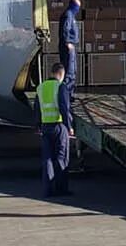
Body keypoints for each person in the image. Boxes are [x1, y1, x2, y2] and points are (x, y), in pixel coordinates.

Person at [36, 62, 74, 196]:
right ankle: (61, 188)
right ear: (61, 74)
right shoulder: (60, 87)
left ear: (51, 72)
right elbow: (64, 108)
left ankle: (48, 190)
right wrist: (69, 127)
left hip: (45, 126)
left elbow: (37, 109)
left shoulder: (40, 88)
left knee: (47, 159)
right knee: (61, 157)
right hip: (59, 126)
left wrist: (38, 126)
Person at [59, 0, 82, 88]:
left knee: (73, 70)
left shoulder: (72, 15)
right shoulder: (68, 15)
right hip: (68, 46)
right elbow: (65, 29)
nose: (78, 9)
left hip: (72, 46)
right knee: (69, 70)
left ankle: (69, 93)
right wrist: (67, 42)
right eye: (77, 7)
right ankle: (66, 94)